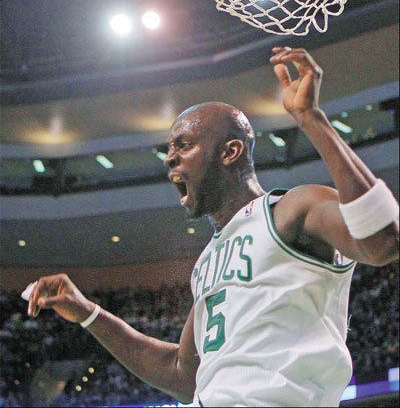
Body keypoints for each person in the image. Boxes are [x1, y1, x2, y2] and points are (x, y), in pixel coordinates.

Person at [26, 47, 399, 407]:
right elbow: (181, 374)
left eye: (183, 145)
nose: (170, 157)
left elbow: (384, 242)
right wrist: (88, 313)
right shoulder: (207, 262)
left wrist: (311, 119)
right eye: (169, 149)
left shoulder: (290, 210)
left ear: (229, 152)